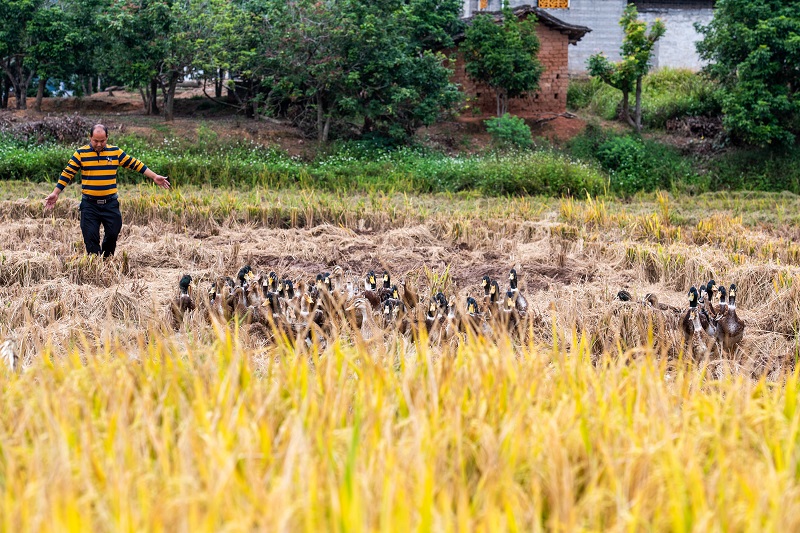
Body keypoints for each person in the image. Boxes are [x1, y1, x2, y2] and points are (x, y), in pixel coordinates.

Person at [44, 124, 170, 257]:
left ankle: (106, 261)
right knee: (91, 239)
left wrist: (155, 176)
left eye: (102, 141)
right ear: (90, 138)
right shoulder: (81, 154)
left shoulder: (115, 153)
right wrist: (56, 192)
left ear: (107, 138)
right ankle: (96, 266)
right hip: (89, 205)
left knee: (112, 234)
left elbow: (136, 164)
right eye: (95, 141)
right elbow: (67, 174)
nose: (99, 144)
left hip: (110, 204)